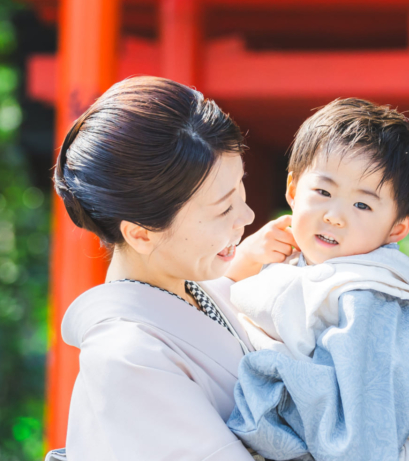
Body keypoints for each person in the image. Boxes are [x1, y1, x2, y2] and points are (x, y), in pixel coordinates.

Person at [224, 99, 409, 461]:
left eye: (363, 205)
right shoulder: (287, 265)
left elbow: (362, 434)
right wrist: (243, 259)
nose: (335, 216)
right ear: (292, 189)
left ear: (397, 228)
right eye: (323, 192)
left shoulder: (369, 297)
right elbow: (213, 303)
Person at [49, 76, 259, 461]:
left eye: (240, 190)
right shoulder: (126, 356)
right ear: (141, 234)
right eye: (224, 208)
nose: (246, 215)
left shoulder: (205, 291)